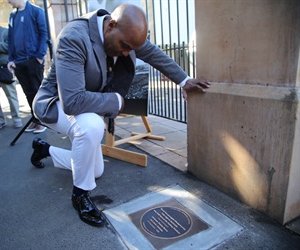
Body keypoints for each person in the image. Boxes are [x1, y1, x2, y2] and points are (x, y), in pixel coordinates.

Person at [31, 4, 210, 227]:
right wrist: (116, 101)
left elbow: (154, 54)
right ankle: (80, 196)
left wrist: (184, 80)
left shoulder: (125, 36)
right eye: (124, 46)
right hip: (56, 103)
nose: (126, 53)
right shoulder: (73, 38)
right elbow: (72, 101)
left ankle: (44, 149)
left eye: (130, 49)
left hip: (86, 105)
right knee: (92, 126)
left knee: (95, 170)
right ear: (111, 26)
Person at [6, 0, 48, 134]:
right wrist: (11, 59)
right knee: (28, 93)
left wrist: (40, 56)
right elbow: (10, 38)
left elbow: (44, 33)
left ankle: (43, 121)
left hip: (33, 59)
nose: (8, 1)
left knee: (37, 91)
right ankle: (35, 119)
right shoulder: (12, 16)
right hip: (19, 61)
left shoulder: (36, 11)